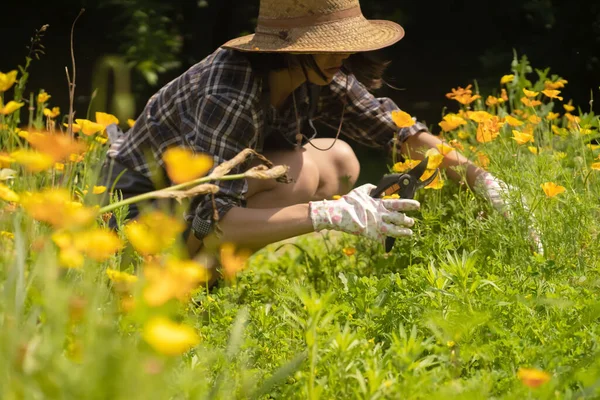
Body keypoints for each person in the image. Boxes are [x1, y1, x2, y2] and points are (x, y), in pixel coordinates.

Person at [102, 0, 536, 265]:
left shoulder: (319, 72)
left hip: (201, 204)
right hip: (136, 212)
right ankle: (190, 282)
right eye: (331, 41)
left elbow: (397, 130)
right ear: (291, 47)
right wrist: (329, 215)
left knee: (339, 160)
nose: (344, 52)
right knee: (305, 179)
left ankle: (214, 276)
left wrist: (483, 179)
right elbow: (211, 218)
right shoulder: (230, 91)